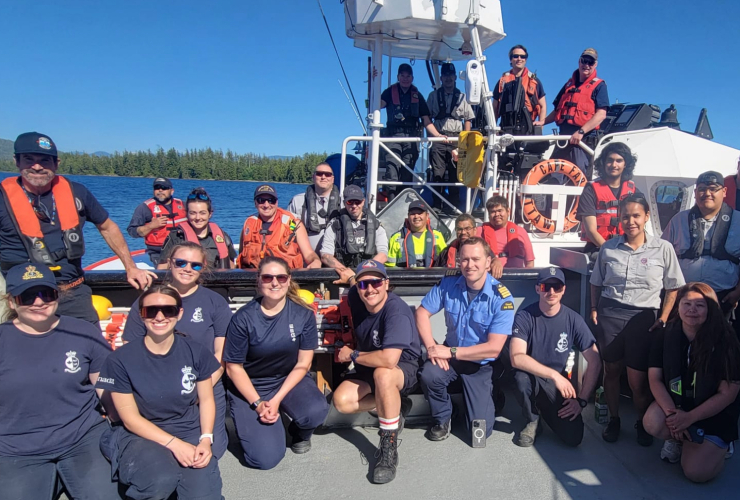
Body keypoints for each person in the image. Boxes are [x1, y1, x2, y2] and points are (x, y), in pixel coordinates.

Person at [0, 132, 155, 324]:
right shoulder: (2, 199)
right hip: (22, 298)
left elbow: (107, 227)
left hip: (71, 292)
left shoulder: (77, 193)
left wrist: (131, 268)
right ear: (17, 161)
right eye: (29, 159)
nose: (37, 166)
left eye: (45, 160)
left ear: (56, 164)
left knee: (91, 347)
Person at [0, 263, 118, 499]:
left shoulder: (82, 330)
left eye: (46, 294)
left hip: (82, 438)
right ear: (12, 302)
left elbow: (108, 389)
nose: (38, 302)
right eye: (28, 296)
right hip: (16, 446)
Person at [96, 285, 223, 500]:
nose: (160, 317)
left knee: (203, 495)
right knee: (159, 481)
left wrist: (205, 439)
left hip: (186, 428)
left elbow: (206, 400)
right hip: (139, 434)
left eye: (168, 310)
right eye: (151, 311)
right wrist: (175, 445)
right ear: (141, 315)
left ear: (179, 313)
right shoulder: (121, 359)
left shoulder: (195, 351)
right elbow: (130, 419)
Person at [122, 242, 232, 458]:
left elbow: (222, 354)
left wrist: (203, 388)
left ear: (203, 268)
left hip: (206, 383)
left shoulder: (215, 302)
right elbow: (130, 349)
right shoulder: (149, 300)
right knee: (159, 451)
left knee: (214, 452)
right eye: (180, 262)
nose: (187, 268)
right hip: (158, 384)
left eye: (195, 265)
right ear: (169, 263)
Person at [590, 194, 685, 445]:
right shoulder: (608, 248)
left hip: (644, 318)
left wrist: (663, 317)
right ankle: (614, 418)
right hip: (611, 313)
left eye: (635, 215)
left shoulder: (662, 248)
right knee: (611, 370)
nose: (630, 221)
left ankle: (642, 421)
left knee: (637, 380)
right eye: (625, 216)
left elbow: (673, 287)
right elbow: (596, 282)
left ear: (645, 217)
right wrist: (593, 308)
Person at [224, 257, 329, 470]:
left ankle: (298, 432)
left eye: (281, 277)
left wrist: (276, 398)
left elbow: (303, 363)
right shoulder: (243, 319)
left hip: (287, 379)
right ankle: (264, 425)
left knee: (316, 410)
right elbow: (233, 367)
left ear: (289, 280)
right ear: (259, 281)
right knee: (265, 460)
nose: (275, 282)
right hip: (251, 386)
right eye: (268, 277)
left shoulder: (302, 314)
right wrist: (258, 403)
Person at [417, 237, 516, 443]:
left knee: (479, 436)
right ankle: (444, 417)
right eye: (464, 259)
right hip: (451, 357)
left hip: (480, 365)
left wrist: (450, 352)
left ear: (488, 262)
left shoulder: (502, 298)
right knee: (429, 374)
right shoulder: (448, 284)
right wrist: (432, 348)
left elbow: (494, 349)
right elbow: (421, 313)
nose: (470, 265)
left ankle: (491, 396)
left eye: (476, 259)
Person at [333, 260, 422, 484]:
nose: (370, 289)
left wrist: (351, 355)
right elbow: (355, 281)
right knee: (341, 402)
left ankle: (388, 447)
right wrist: (351, 277)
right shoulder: (356, 295)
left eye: (376, 282)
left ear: (386, 283)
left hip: (402, 368)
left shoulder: (396, 312)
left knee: (383, 374)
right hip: (369, 365)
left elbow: (389, 360)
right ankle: (395, 407)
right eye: (364, 284)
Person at [643, 282, 740, 482]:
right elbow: (655, 379)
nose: (692, 310)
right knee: (652, 422)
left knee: (696, 473)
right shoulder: (665, 335)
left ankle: (719, 446)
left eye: (700, 305)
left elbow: (728, 393)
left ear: (711, 309)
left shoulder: (727, 340)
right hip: (678, 406)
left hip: (713, 413)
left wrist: (690, 418)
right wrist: (674, 417)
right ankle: (679, 439)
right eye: (687, 304)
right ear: (678, 307)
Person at [509, 267, 602, 447]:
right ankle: (533, 419)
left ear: (563, 289)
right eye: (546, 287)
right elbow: (516, 357)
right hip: (533, 378)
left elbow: (595, 360)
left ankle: (547, 410)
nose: (551, 292)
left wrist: (581, 401)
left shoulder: (573, 319)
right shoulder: (525, 316)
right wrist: (554, 375)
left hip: (555, 385)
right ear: (537, 289)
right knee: (520, 380)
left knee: (574, 437)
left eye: (557, 287)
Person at [662, 171, 740, 321]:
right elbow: (662, 256)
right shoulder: (678, 220)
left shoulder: (738, 221)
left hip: (723, 298)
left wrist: (738, 292)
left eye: (713, 188)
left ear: (724, 192)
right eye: (702, 189)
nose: (707, 193)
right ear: (695, 192)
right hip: (684, 298)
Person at [379, 63, 448, 200]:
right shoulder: (388, 92)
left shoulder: (417, 95)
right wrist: (375, 80)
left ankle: (403, 206)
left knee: (407, 173)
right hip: (393, 137)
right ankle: (391, 204)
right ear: (398, 77)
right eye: (402, 75)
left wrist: (439, 136)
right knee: (392, 170)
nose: (405, 78)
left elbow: (426, 121)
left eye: (408, 76)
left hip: (411, 138)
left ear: (412, 77)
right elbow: (376, 105)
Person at [543, 48, 609, 174]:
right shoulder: (568, 84)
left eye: (591, 62)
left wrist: (581, 132)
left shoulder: (600, 86)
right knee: (553, 175)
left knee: (578, 176)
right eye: (584, 61)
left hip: (582, 141)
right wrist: (542, 122)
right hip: (563, 139)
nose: (587, 65)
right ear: (579, 61)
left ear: (595, 64)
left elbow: (601, 114)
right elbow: (558, 111)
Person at [427, 62, 475, 210]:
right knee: (438, 173)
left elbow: (468, 119)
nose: (448, 78)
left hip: (456, 138)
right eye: (445, 75)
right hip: (439, 137)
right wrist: (435, 136)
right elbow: (427, 118)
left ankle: (453, 206)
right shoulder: (433, 96)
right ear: (441, 77)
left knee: (455, 173)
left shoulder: (462, 97)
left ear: (455, 77)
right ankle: (437, 205)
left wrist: (464, 141)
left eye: (451, 75)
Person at [577, 142, 641, 253]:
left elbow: (640, 223)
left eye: (619, 161)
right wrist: (611, 252)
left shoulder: (633, 190)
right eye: (610, 160)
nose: (614, 165)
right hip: (598, 248)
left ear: (625, 164)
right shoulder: (590, 189)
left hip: (627, 247)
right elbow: (591, 230)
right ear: (603, 163)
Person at [237, 184, 321, 269]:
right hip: (253, 277)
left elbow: (309, 253)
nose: (266, 205)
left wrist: (316, 261)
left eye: (271, 200)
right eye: (261, 200)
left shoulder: (292, 223)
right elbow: (241, 253)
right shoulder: (249, 223)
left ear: (276, 202)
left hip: (285, 277)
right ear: (255, 203)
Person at [320, 184, 388, 284]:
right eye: (350, 202)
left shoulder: (376, 224)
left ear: (363, 201)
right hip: (343, 278)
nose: (354, 206)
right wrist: (347, 274)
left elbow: (383, 254)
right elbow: (326, 255)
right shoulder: (334, 225)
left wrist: (364, 272)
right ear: (344, 203)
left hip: (368, 276)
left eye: (358, 202)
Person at [158, 187, 237, 269]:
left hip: (218, 281)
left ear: (210, 214)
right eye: (193, 213)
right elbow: (162, 268)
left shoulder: (223, 237)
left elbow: (231, 266)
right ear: (187, 214)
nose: (198, 217)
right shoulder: (176, 237)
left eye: (202, 213)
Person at [127, 177, 187, 265]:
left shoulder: (183, 205)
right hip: (158, 252)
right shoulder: (145, 208)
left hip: (183, 249)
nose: (160, 190)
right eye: (157, 188)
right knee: (167, 273)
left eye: (164, 188)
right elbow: (132, 231)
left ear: (172, 191)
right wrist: (151, 226)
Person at [493, 45, 547, 135]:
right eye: (515, 56)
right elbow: (494, 107)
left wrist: (540, 127)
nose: (519, 59)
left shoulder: (534, 81)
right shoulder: (502, 81)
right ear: (511, 59)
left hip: (528, 127)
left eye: (522, 56)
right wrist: (493, 129)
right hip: (506, 127)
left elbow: (543, 106)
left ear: (526, 59)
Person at [287, 163, 341, 251]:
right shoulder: (297, 201)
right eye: (319, 174)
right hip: (306, 259)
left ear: (333, 179)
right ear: (313, 177)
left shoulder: (343, 202)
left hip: (334, 259)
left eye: (327, 174)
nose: (323, 177)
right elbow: (289, 227)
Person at [477, 195, 535, 278]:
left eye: (500, 210)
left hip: (516, 279)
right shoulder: (479, 231)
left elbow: (529, 262)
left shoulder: (521, 232)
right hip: (489, 278)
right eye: (492, 212)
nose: (497, 214)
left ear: (508, 211)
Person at [386, 201, 447, 268]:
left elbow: (445, 261)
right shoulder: (396, 238)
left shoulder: (437, 236)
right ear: (408, 216)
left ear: (427, 216)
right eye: (412, 214)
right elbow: (390, 267)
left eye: (420, 213)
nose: (416, 216)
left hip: (432, 277)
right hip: (405, 277)